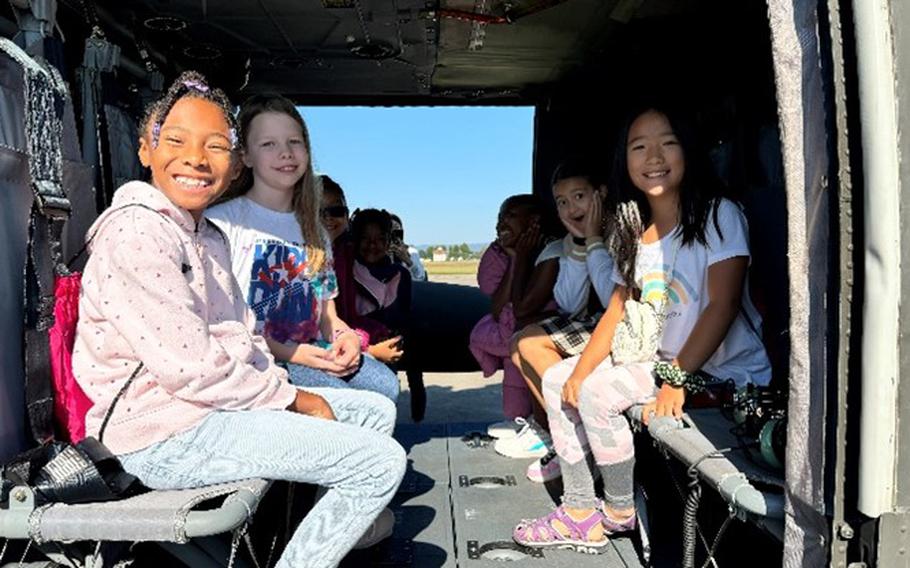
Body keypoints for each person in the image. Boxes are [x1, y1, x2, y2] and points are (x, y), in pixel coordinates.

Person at [71, 72, 406, 568]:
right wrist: (291, 396)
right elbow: (191, 368)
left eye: (215, 146)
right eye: (177, 141)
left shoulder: (206, 235)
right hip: (164, 432)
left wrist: (280, 383)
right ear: (145, 149)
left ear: (231, 162)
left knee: (376, 411)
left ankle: (320, 521)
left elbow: (245, 332)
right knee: (381, 462)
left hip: (212, 409)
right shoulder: (139, 233)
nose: (196, 159)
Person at [512, 106, 771, 553]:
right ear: (625, 161)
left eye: (667, 142)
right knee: (558, 381)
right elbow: (617, 309)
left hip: (722, 374)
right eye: (639, 147)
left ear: (688, 149)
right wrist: (578, 371)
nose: (654, 155)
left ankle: (616, 510)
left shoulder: (717, 214)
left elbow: (722, 305)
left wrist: (677, 381)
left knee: (597, 394)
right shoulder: (635, 231)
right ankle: (579, 510)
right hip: (661, 364)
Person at [206, 95, 398, 402]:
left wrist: (345, 337)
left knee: (386, 386)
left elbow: (328, 317)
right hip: (259, 358)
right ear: (246, 156)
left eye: (294, 142)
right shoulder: (222, 223)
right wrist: (299, 356)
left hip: (312, 350)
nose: (285, 153)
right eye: (268, 144)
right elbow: (222, 326)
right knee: (341, 399)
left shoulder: (314, 230)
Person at [509, 158, 615, 483]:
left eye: (580, 197)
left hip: (622, 323)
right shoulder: (573, 242)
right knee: (518, 343)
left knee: (530, 342)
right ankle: (567, 436)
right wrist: (582, 245)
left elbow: (615, 299)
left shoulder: (620, 230)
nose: (571, 208)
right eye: (562, 202)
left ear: (601, 194)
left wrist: (595, 241)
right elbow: (570, 302)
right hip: (596, 321)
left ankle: (577, 440)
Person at [469, 194, 557, 426]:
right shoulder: (498, 255)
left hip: (529, 329)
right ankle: (520, 421)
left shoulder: (551, 253)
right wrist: (515, 259)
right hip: (513, 329)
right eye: (499, 218)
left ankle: (537, 425)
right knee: (513, 402)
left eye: (510, 216)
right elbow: (498, 309)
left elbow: (521, 309)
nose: (501, 224)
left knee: (514, 349)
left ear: (534, 221)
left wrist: (521, 259)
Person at [320, 175, 404, 365]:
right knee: (385, 383)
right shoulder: (307, 260)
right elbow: (324, 324)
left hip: (347, 334)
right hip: (325, 345)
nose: (328, 218)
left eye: (336, 211)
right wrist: (371, 349)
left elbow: (347, 317)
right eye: (318, 211)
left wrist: (380, 334)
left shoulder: (344, 256)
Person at [349, 208, 413, 337]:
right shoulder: (346, 271)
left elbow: (404, 320)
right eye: (365, 238)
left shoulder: (401, 275)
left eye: (380, 239)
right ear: (355, 240)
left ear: (388, 242)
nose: (372, 245)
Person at [389, 213, 427, 282]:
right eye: (390, 229)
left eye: (396, 228)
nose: (393, 232)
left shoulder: (412, 252)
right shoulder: (378, 252)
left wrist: (408, 261)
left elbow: (421, 278)